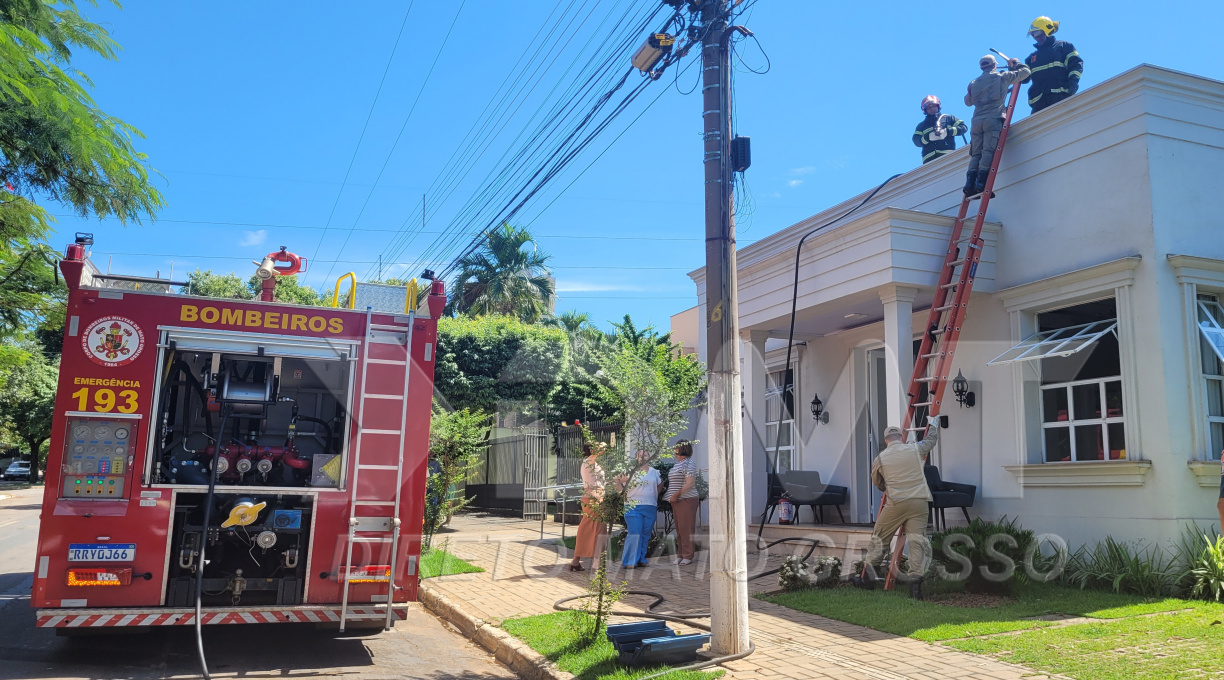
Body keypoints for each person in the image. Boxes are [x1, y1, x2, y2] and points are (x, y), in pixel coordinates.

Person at [851, 417, 940, 599]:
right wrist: (933, 425)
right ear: (901, 437)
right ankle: (915, 590)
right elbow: (931, 441)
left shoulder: (880, 459)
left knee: (880, 537)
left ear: (886, 440)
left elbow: (877, 482)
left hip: (896, 503)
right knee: (917, 543)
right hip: (919, 501)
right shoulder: (914, 448)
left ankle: (867, 581)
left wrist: (887, 487)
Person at [963, 54, 1030, 196]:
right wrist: (1016, 63)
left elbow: (967, 102)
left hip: (976, 122)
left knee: (976, 154)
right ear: (994, 65)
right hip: (992, 119)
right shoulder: (1002, 77)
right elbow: (1026, 72)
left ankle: (969, 184)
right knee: (988, 151)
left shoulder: (973, 83)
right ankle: (981, 184)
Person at [1023, 16, 1083, 113]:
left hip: (1061, 98)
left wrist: (1072, 84)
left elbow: (1076, 65)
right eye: (1033, 35)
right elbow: (1024, 78)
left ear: (1047, 30)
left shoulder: (1063, 47)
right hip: (1039, 104)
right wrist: (1014, 67)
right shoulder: (1032, 58)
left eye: (1038, 33)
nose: (1037, 37)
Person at [568, 442, 608, 572]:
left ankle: (576, 560)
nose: (602, 450)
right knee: (598, 529)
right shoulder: (589, 462)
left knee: (587, 528)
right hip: (594, 496)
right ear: (591, 450)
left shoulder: (590, 463)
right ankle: (597, 563)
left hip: (593, 495)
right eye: (598, 447)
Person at [620, 450, 661, 569]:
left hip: (650, 506)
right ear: (636, 458)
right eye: (640, 456)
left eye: (645, 455)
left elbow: (660, 484)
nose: (643, 457)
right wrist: (621, 492)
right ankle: (629, 561)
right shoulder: (630, 471)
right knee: (634, 532)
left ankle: (641, 559)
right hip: (632, 506)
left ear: (649, 457)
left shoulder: (655, 472)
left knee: (645, 534)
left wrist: (654, 495)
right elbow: (618, 482)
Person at [665, 440, 699, 566]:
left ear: (682, 449)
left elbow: (690, 483)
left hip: (687, 499)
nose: (674, 450)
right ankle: (680, 554)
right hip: (677, 501)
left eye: (676, 447)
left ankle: (688, 555)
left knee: (687, 528)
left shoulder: (689, 463)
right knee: (679, 528)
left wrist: (676, 494)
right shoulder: (678, 464)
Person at [912, 96, 967, 165]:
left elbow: (963, 127)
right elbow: (916, 140)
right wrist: (928, 137)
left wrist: (947, 132)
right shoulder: (921, 126)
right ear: (925, 110)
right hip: (929, 161)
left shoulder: (949, 118)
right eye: (929, 107)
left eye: (934, 106)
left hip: (948, 157)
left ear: (938, 106)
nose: (932, 108)